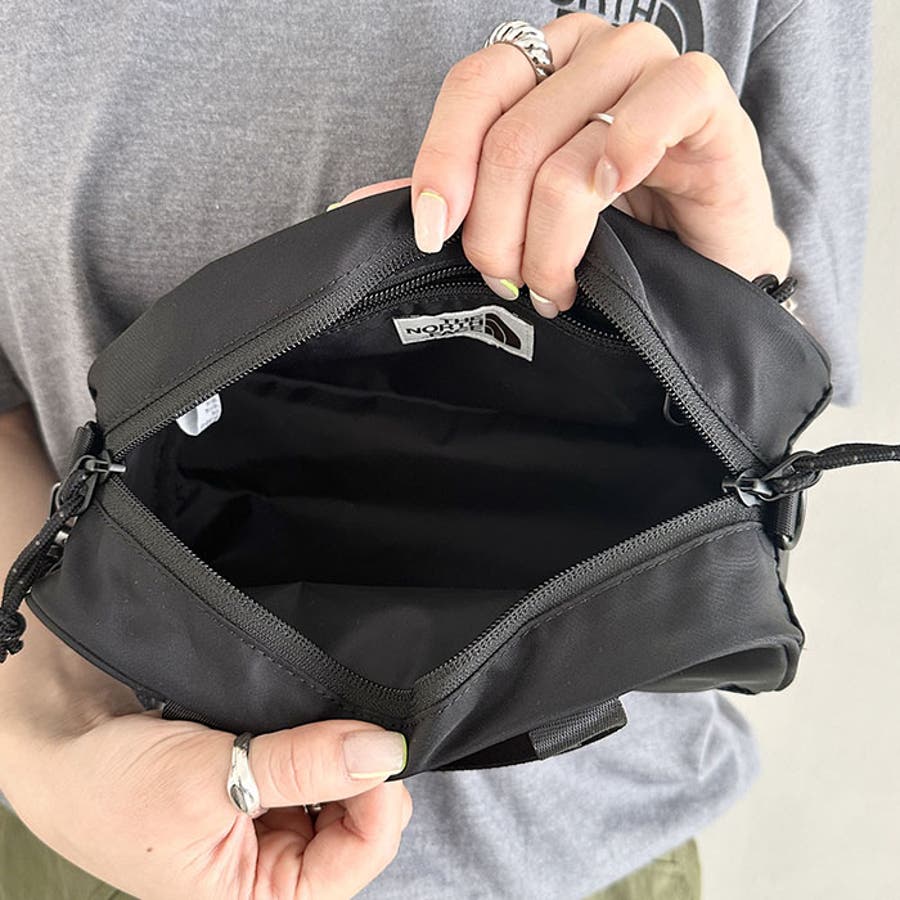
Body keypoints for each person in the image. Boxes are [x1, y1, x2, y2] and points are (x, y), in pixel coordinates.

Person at [0, 2, 871, 898]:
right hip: (100, 840)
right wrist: (46, 744)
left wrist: (729, 306)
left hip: (591, 861)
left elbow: (781, 421)